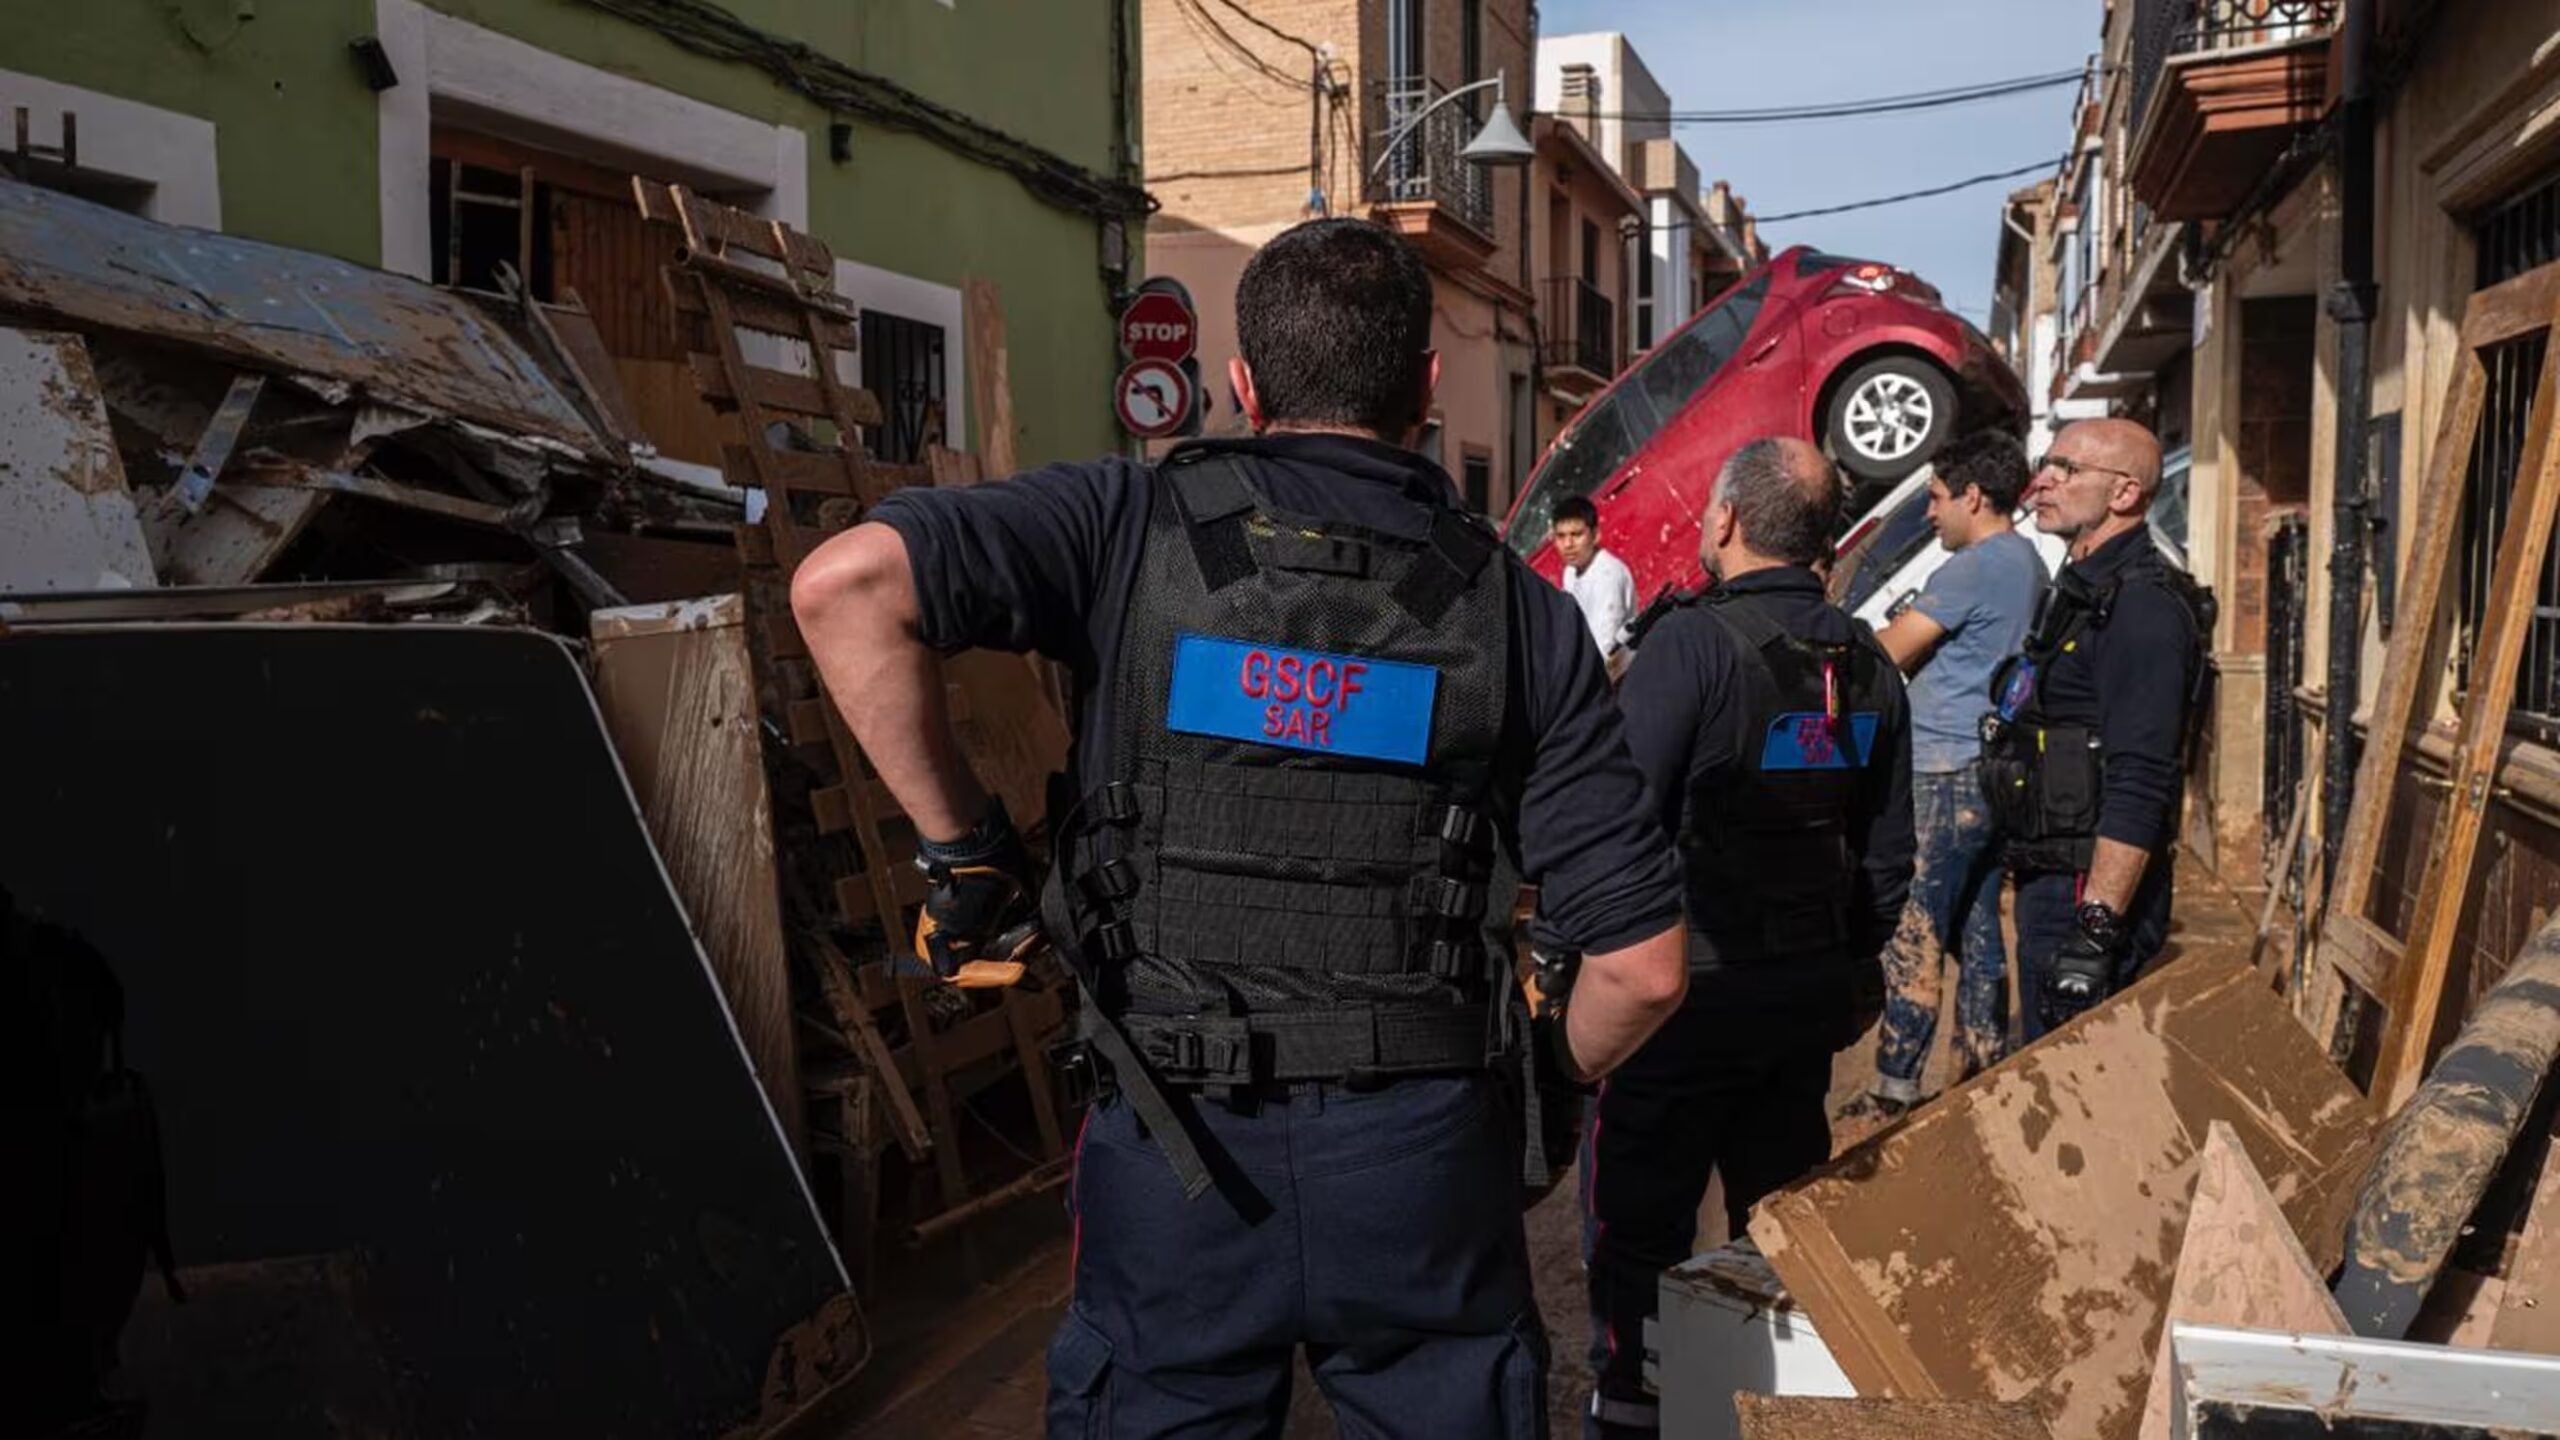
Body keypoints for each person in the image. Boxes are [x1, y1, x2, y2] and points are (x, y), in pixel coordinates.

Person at [789, 217, 1689, 1440]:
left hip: (1175, 1150)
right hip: (1420, 1157)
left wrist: (968, 853)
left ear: (1242, 384)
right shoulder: (1520, 616)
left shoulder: (1122, 527)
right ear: (1426, 387)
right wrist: (1527, 1095)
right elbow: (1641, 967)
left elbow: (841, 588)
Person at [1583, 438, 1914, 1439]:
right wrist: (1852, 965)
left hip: (1684, 1002)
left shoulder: (1686, 647)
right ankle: (1761, 1408)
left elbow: (1615, 817)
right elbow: (1888, 853)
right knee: (1777, 1222)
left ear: (1723, 520)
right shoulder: (1866, 662)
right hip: (1802, 994)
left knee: (1641, 1226)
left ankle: (1636, 1408)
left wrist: (1575, 969)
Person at [1979, 417, 2209, 1038]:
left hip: (2083, 890)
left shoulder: (2141, 611)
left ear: (2124, 493)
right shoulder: (2080, 591)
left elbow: (2141, 781)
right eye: (2046, 465)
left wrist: (2094, 929)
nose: (2040, 483)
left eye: (2066, 470)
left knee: (2077, 1094)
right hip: (2048, 874)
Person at [1846, 433, 2048, 1120]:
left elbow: (1889, 654)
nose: (1930, 513)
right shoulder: (2025, 561)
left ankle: (1892, 1091)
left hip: (1941, 769)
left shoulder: (1972, 568)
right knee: (1980, 931)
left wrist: (1865, 638)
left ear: (1972, 496)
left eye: (1936, 498)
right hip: (1988, 769)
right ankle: (1980, 1080)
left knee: (1918, 932)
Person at [1553, 495, 1638, 658]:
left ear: (1595, 535)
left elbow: (1605, 647)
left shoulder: (1609, 575)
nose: (1568, 544)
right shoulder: (1570, 572)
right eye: (1561, 536)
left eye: (1576, 534)